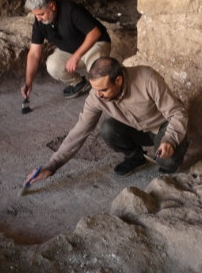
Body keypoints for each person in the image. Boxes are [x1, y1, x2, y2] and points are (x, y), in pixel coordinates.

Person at [25, 56, 190, 185]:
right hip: (139, 130)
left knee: (166, 160)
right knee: (108, 129)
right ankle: (136, 157)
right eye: (95, 89)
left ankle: (172, 159)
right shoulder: (97, 96)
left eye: (103, 89)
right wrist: (52, 165)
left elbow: (178, 113)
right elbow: (80, 130)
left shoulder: (147, 79)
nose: (99, 95)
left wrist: (170, 139)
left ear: (118, 80)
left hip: (163, 127)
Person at [22, 0, 111, 99]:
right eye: (36, 15)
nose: (38, 19)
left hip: (95, 44)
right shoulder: (39, 23)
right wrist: (28, 82)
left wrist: (76, 56)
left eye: (41, 14)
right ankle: (79, 83)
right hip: (71, 50)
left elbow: (95, 33)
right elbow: (34, 54)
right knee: (52, 65)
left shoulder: (71, 10)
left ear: (52, 6)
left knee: (97, 73)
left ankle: (104, 94)